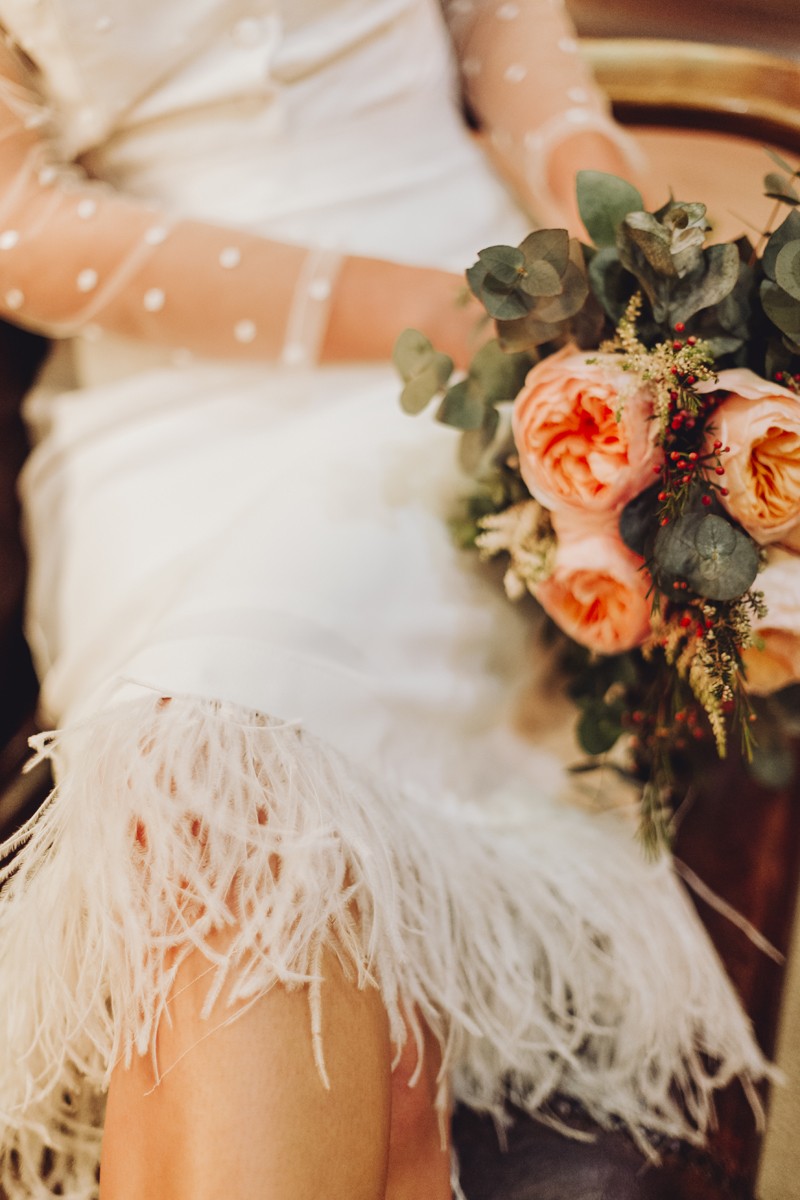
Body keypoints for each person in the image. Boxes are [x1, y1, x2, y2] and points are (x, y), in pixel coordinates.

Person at [0, 2, 768, 1198]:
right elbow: (19, 230)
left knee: (227, 794)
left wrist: (628, 284)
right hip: (165, 418)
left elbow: (518, 59)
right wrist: (427, 311)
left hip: (457, 369)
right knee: (215, 801)